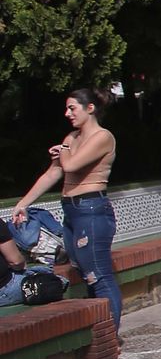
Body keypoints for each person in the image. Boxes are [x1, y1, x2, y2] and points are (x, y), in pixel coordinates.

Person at [9, 88, 122, 329]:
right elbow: (55, 172)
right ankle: (100, 328)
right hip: (72, 212)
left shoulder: (102, 137)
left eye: (72, 108)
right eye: (67, 108)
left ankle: (110, 335)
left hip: (92, 210)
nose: (67, 113)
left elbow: (70, 165)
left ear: (90, 108)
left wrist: (63, 153)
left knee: (99, 276)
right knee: (85, 273)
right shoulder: (72, 138)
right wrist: (23, 203)